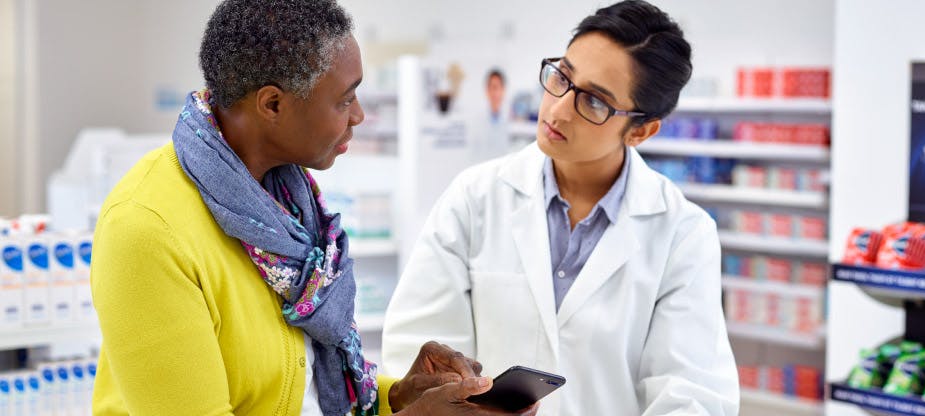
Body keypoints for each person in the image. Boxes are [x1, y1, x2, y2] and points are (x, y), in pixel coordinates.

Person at [89, 1, 537, 415]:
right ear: (273, 104)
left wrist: (399, 396)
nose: (358, 115)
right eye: (344, 99)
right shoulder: (147, 230)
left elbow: (297, 389)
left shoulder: (288, 200)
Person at [381, 1, 740, 415]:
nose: (558, 109)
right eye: (562, 77)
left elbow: (693, 395)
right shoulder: (475, 198)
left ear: (641, 130)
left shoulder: (682, 233)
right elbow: (419, 353)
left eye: (594, 102)